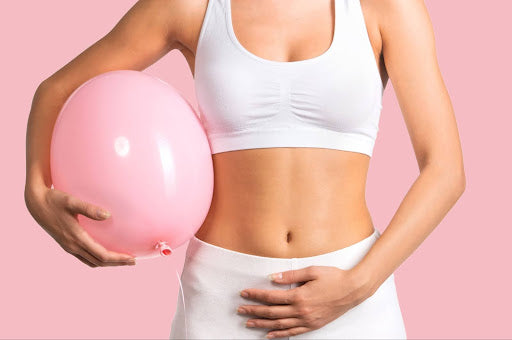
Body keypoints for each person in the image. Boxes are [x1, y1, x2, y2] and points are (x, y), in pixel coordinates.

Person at [24, 0, 466, 339]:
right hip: (222, 298)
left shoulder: (384, 7)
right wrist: (36, 194)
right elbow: (56, 90)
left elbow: (445, 168)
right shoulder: (193, 7)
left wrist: (358, 286)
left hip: (353, 295)